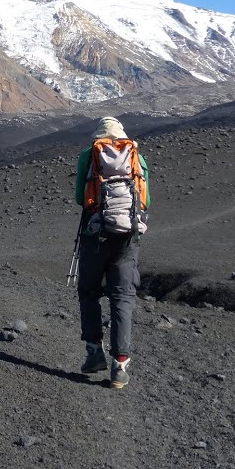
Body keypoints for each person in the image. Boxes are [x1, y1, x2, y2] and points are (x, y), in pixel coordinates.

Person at [73, 116, 149, 389]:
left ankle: (94, 353)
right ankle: (120, 366)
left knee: (89, 292)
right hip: (127, 238)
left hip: (94, 235)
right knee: (123, 297)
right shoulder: (136, 155)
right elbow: (145, 199)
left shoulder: (88, 155)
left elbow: (80, 198)